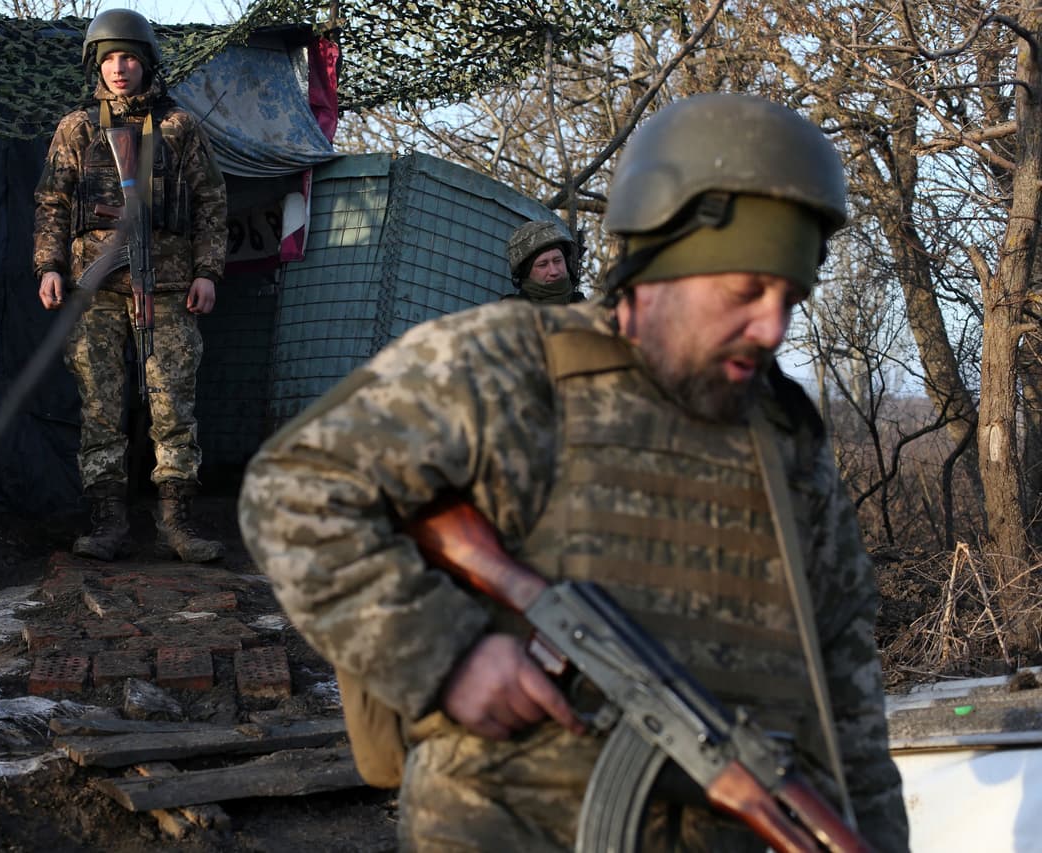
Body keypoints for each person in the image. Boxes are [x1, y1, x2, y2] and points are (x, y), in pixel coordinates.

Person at [238, 92, 909, 852]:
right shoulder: (510, 364)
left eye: (790, 299)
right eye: (745, 291)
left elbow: (848, 697)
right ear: (659, 267)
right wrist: (445, 651)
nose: (772, 327)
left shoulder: (788, 446)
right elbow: (294, 486)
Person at [34, 8, 228, 563]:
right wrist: (48, 266)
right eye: (110, 58)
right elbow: (52, 202)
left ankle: (177, 522)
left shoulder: (179, 127)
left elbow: (212, 202)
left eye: (130, 58)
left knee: (172, 403)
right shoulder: (77, 128)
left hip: (167, 283)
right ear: (97, 64)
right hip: (95, 287)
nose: (119, 69)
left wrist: (207, 272)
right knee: (100, 403)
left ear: (147, 64)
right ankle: (107, 521)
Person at [502, 219, 586, 304]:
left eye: (557, 261)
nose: (554, 271)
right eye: (543, 265)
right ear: (526, 273)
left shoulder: (588, 311)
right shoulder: (511, 312)